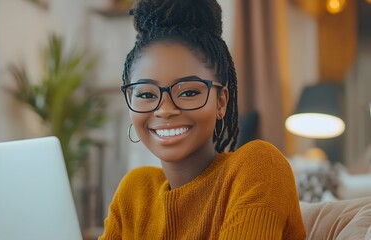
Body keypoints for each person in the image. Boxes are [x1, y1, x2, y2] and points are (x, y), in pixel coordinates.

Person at [99, 0, 306, 239]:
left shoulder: (259, 167)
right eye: (146, 94)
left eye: (188, 92)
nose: (165, 110)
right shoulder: (134, 192)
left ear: (221, 102)